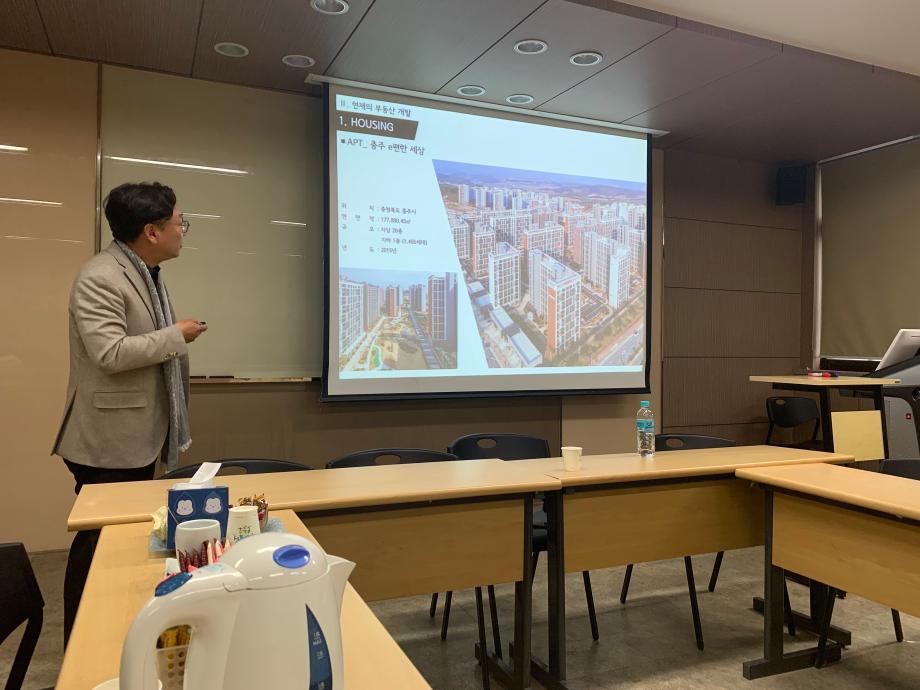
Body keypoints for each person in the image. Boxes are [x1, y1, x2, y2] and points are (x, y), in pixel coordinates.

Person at [52, 182, 207, 643]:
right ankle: (84, 642)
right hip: (108, 440)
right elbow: (110, 353)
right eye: (179, 223)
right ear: (151, 231)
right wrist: (176, 335)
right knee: (100, 542)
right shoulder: (101, 276)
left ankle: (114, 631)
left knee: (121, 541)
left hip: (135, 434)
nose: (183, 231)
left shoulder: (144, 272)